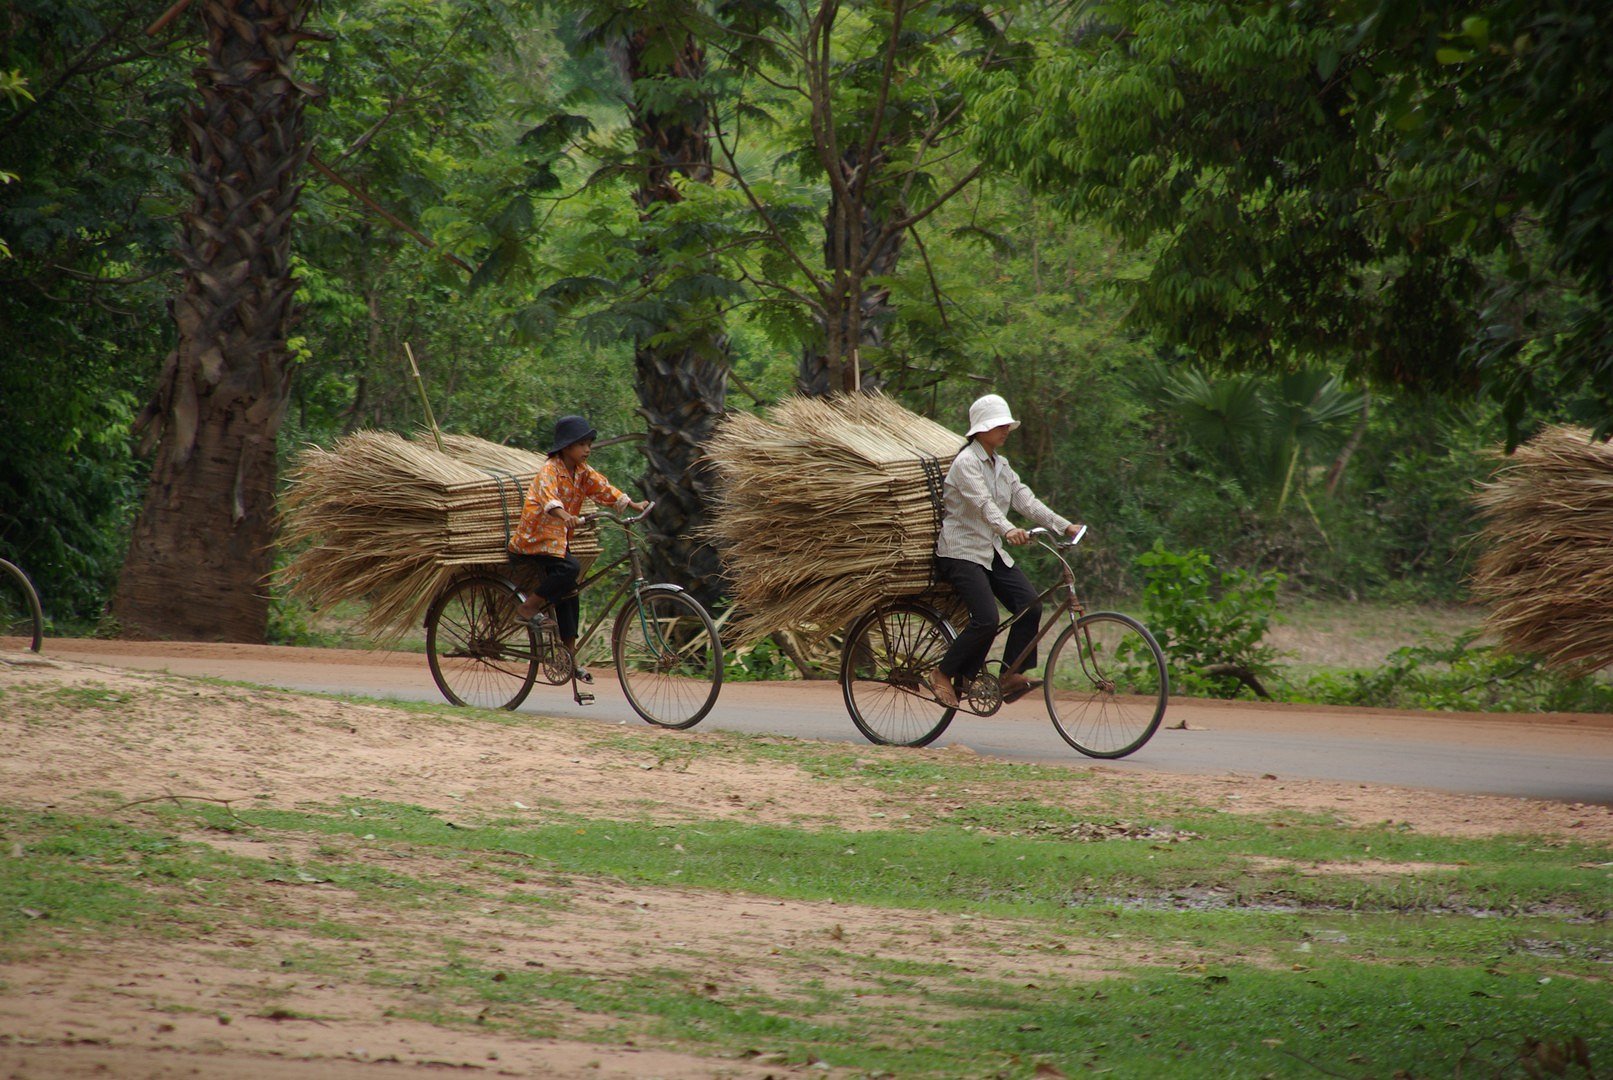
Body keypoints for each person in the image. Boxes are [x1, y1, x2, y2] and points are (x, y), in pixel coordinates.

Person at [929, 394, 1084, 709]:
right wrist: (1008, 529)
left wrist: (1063, 525)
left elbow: (1025, 500)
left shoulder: (1001, 465)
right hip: (960, 552)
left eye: (1005, 425)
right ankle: (943, 673)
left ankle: (1010, 673)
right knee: (986, 619)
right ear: (980, 430)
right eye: (998, 425)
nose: (1005, 430)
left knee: (1030, 605)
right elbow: (984, 504)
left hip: (989, 551)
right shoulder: (965, 464)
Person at [509, 415, 648, 683]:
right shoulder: (550, 470)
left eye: (589, 443)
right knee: (570, 568)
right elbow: (549, 499)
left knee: (570, 593)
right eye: (581, 444)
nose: (587, 449)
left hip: (557, 541)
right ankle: (528, 608)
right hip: (535, 538)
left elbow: (603, 487)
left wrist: (632, 505)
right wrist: (565, 516)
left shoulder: (582, 471)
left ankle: (569, 659)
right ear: (565, 447)